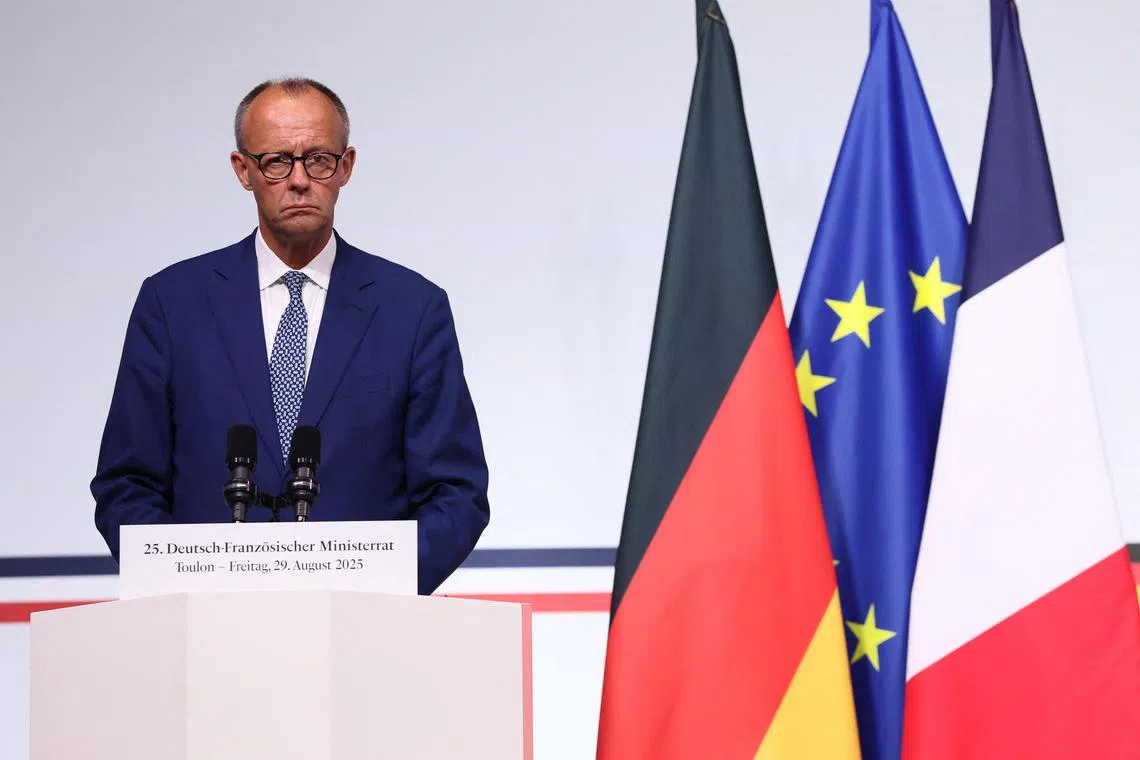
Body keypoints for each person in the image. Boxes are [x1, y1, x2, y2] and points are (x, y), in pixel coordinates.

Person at [90, 78, 489, 594]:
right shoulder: (172, 304)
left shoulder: (411, 308)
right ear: (244, 171)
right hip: (209, 638)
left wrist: (377, 589)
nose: (299, 180)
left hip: (363, 636)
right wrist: (190, 588)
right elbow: (127, 485)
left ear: (346, 167)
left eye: (318, 159)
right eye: (277, 161)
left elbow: (456, 493)